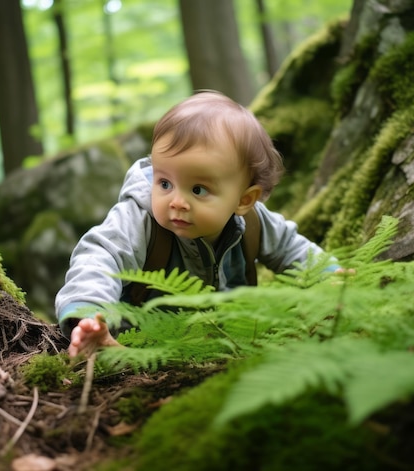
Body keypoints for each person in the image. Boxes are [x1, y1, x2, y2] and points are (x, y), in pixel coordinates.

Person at [56, 91, 336, 358]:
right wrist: (87, 314)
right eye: (164, 183)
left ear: (244, 199)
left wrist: (333, 277)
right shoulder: (139, 219)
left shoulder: (252, 222)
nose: (177, 202)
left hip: (226, 350)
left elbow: (291, 247)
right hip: (140, 352)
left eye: (198, 190)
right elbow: (99, 256)